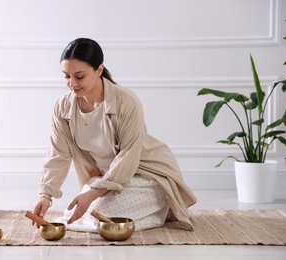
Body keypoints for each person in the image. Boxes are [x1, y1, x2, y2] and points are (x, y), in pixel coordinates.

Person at [32, 38, 197, 231]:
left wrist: (93, 194)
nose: (72, 83)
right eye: (66, 76)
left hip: (146, 174)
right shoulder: (63, 107)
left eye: (79, 76)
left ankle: (165, 205)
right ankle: (144, 207)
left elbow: (128, 158)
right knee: (85, 209)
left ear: (99, 70)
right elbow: (58, 154)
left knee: (104, 215)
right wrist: (46, 196)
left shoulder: (126, 102)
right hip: (107, 179)